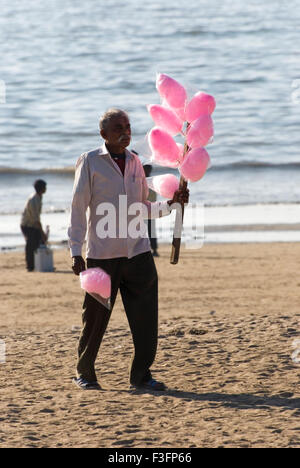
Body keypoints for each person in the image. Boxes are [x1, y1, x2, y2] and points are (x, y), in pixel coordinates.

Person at [68, 108, 189, 391]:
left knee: (146, 319)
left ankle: (141, 375)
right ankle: (84, 373)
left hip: (138, 254)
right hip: (102, 256)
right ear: (104, 134)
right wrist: (75, 250)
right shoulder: (90, 162)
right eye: (118, 127)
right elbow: (78, 207)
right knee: (95, 320)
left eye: (128, 125)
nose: (125, 131)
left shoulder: (135, 161)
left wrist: (172, 205)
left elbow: (142, 208)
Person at [20, 179, 48, 272]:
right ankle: (30, 266)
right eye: (45, 187)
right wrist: (42, 232)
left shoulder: (39, 197)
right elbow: (36, 219)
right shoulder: (34, 199)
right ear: (41, 188)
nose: (46, 189)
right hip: (27, 225)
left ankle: (36, 264)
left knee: (37, 243)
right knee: (31, 244)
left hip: (32, 224)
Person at [143, 164, 159, 257]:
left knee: (148, 230)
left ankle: (154, 249)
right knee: (150, 230)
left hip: (148, 210)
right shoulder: (153, 181)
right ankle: (154, 249)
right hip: (150, 210)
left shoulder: (144, 181)